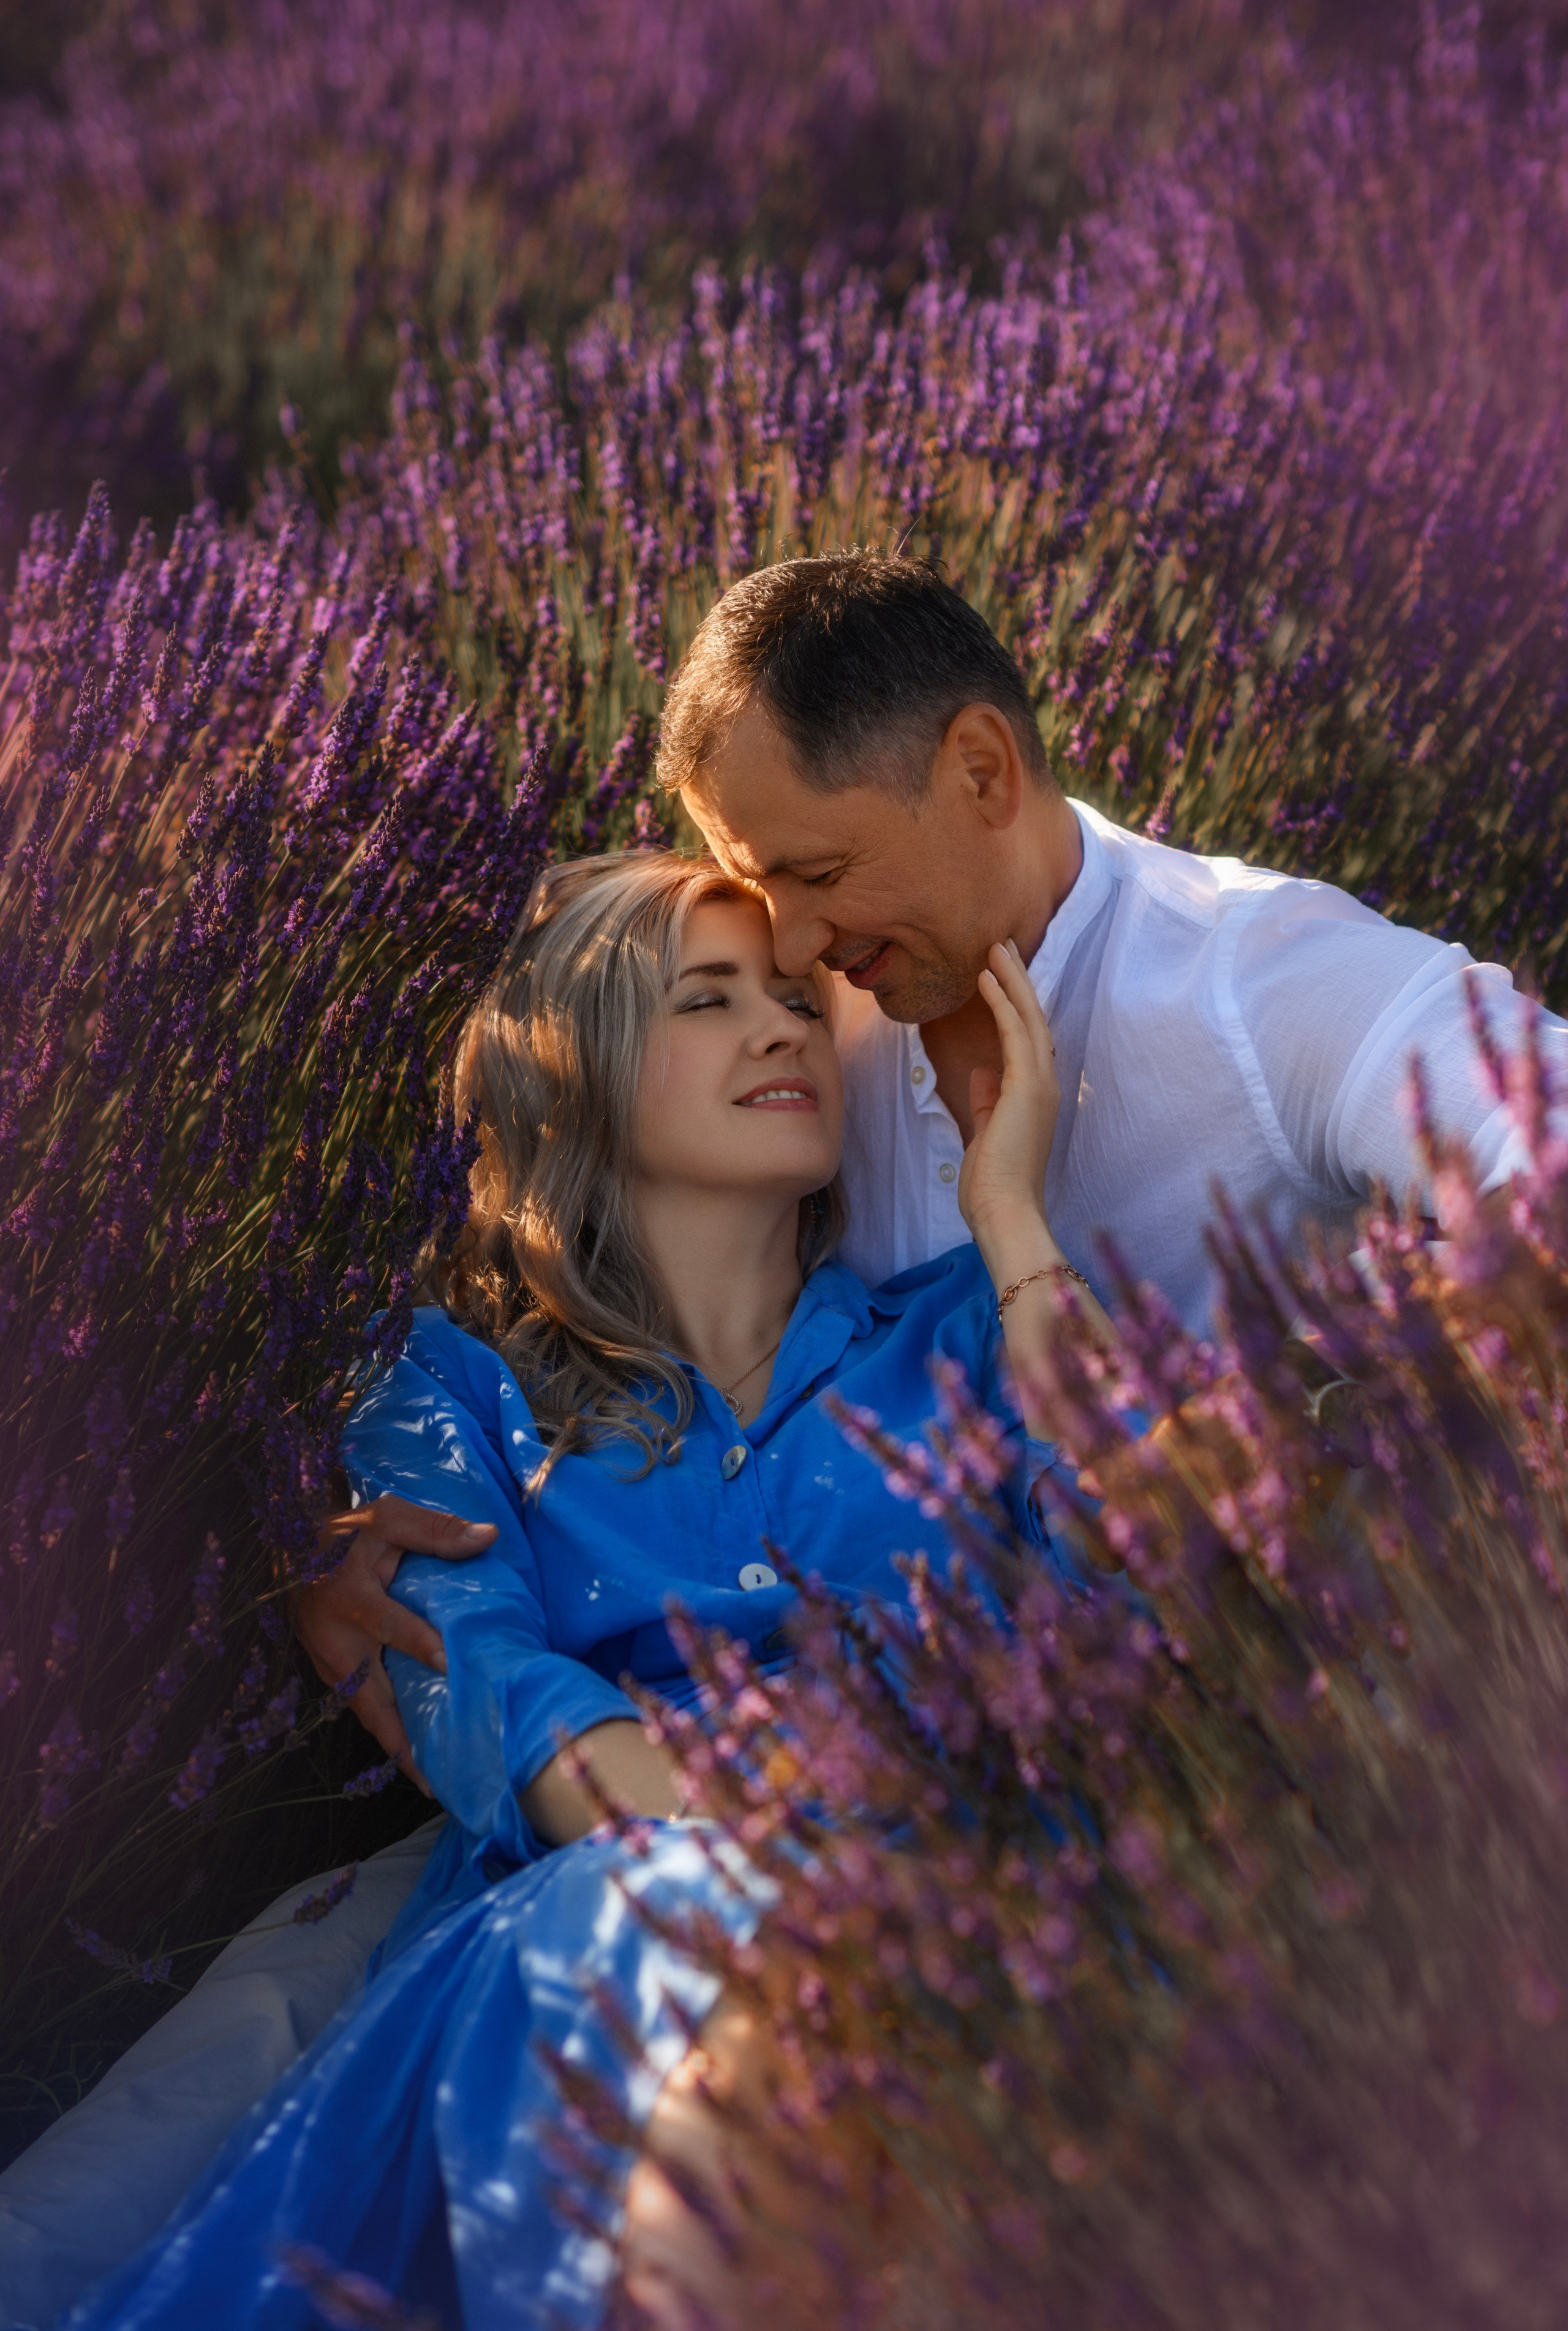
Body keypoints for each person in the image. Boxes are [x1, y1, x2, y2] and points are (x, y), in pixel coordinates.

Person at [301, 544, 1568, 1787]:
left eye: (816, 873)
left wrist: (1321, 1424)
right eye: (756, 882)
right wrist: (349, 1559)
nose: (789, 943)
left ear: (977, 769)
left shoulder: (1259, 981)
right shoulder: (810, 1019)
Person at [67, 848, 1116, 2329]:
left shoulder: (960, 1331)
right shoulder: (446, 1388)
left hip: (976, 1860)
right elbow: (473, 1671)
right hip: (628, 1905)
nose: (780, 1030)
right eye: (707, 1000)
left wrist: (1010, 1219)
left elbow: (1144, 1565)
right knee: (749, 1994)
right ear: (570, 1079)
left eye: (795, 1002)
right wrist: (769, 1869)